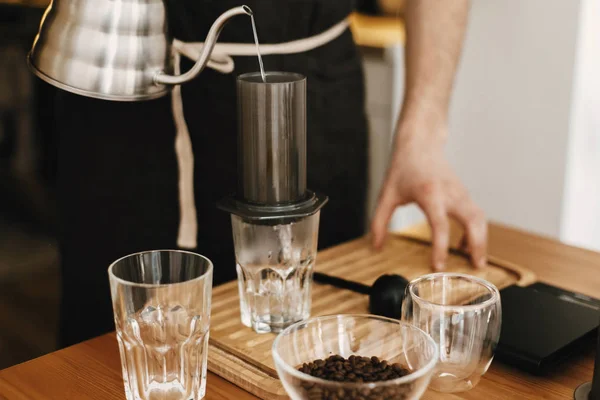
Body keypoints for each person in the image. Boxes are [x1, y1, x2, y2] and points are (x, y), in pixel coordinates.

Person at [52, 0, 486, 348]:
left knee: (316, 345)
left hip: (311, 106)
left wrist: (422, 137)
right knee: (109, 351)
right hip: (118, 84)